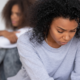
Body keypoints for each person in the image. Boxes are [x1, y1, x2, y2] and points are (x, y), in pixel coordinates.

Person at [9, 0, 80, 80]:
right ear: (47, 23)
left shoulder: (77, 40)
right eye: (60, 31)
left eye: (73, 31)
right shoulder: (26, 41)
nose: (67, 37)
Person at [0, 0, 36, 80]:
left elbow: (2, 42)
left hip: (16, 72)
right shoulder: (11, 32)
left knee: (4, 49)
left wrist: (4, 33)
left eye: (17, 14)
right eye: (12, 13)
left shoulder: (28, 31)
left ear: (27, 15)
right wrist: (4, 32)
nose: (13, 16)